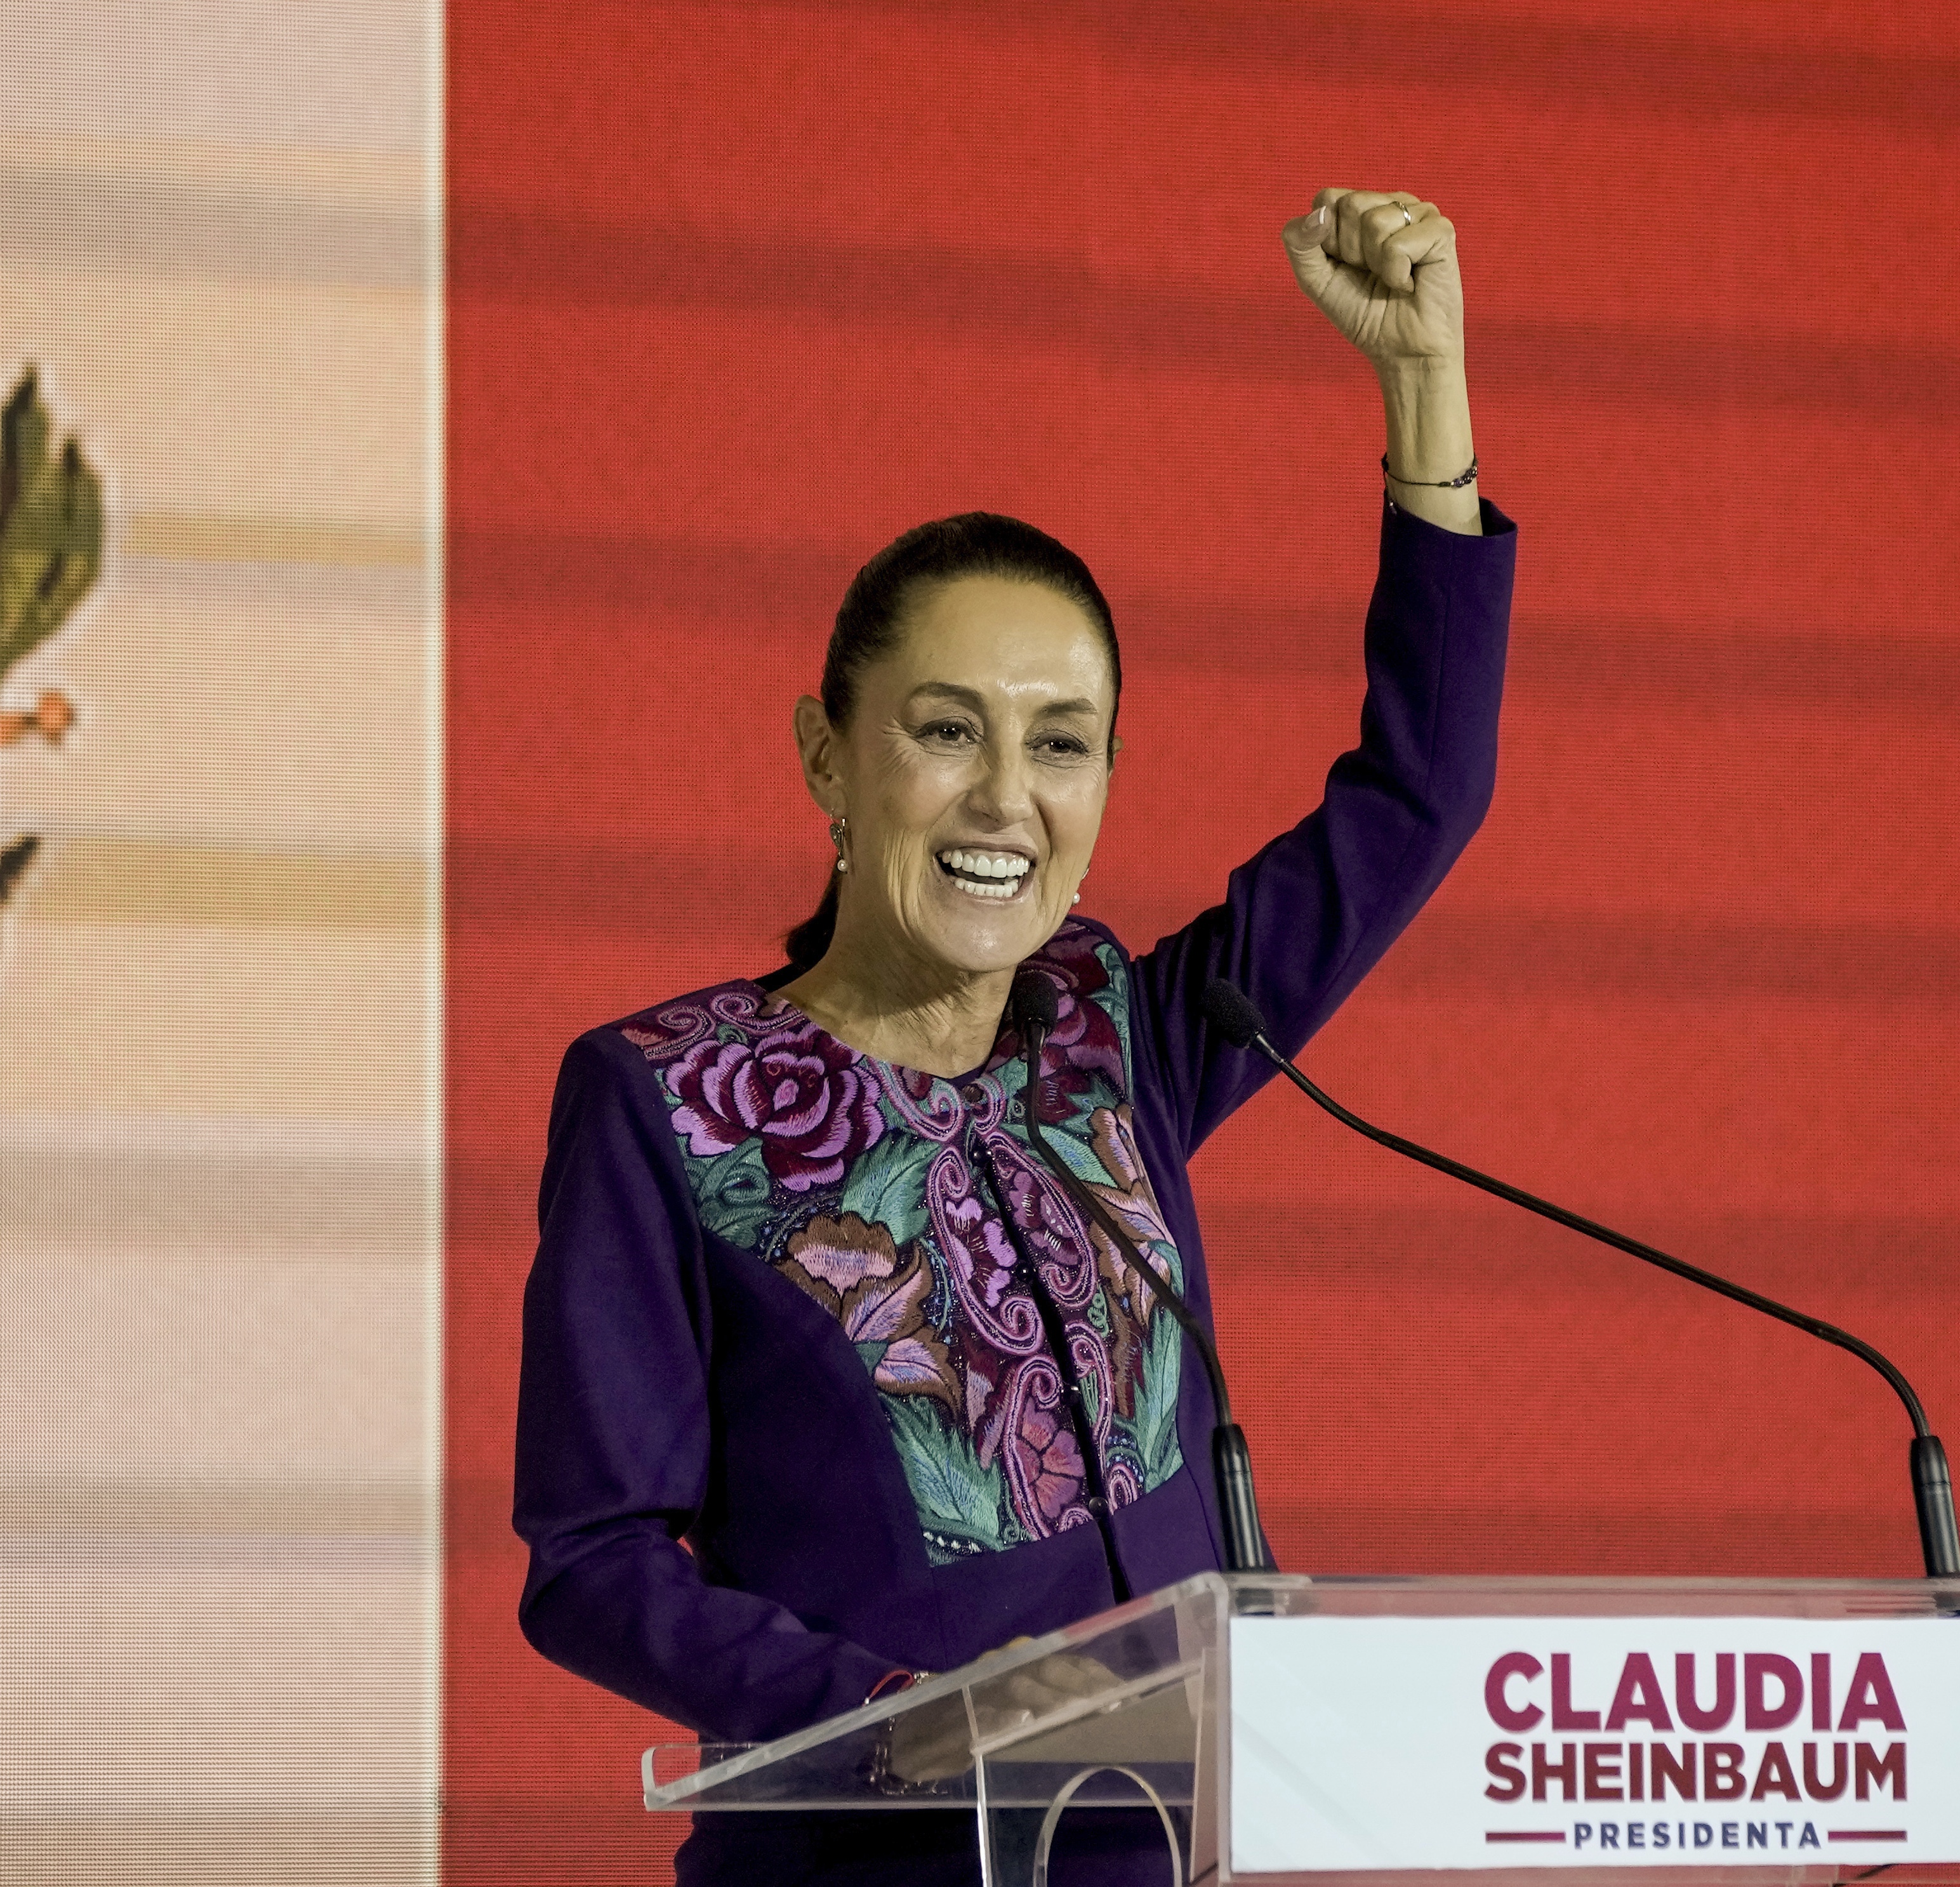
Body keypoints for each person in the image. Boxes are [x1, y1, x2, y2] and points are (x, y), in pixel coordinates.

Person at [513, 187, 1519, 1886]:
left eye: (1062, 744)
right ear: (827, 759)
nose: (1005, 798)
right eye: (945, 731)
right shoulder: (665, 1103)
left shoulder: (1114, 1042)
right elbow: (593, 1561)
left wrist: (1428, 401)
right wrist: (907, 1719)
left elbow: (1418, 798)